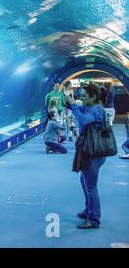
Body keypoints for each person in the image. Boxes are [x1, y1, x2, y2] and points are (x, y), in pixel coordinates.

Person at [65, 83, 107, 229]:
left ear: (93, 97)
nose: (81, 99)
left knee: (91, 186)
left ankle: (94, 219)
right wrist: (70, 103)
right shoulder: (90, 107)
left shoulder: (96, 109)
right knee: (84, 182)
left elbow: (83, 120)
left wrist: (74, 106)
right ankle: (89, 210)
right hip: (89, 151)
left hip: (93, 152)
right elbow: (80, 110)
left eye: (84, 96)